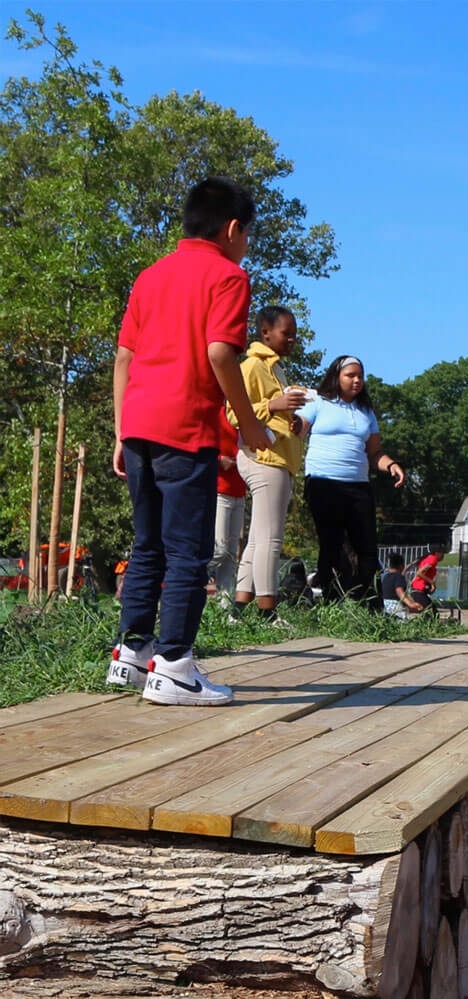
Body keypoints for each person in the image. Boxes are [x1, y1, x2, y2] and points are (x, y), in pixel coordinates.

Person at [106, 177, 272, 706]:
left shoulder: (150, 276)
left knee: (147, 544)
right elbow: (223, 352)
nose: (246, 243)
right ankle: (175, 666)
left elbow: (125, 358)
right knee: (188, 551)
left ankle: (132, 654)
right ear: (231, 229)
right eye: (247, 233)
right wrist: (249, 425)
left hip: (138, 425)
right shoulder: (228, 275)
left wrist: (120, 431)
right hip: (185, 428)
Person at [295, 355, 405, 604]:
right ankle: (331, 602)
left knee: (366, 546)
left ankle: (369, 603)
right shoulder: (318, 402)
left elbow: (375, 452)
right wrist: (292, 421)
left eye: (360, 376)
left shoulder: (366, 412)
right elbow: (298, 428)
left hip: (358, 485)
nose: (356, 381)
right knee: (331, 543)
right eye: (350, 375)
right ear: (337, 377)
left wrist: (391, 465)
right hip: (323, 482)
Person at [228, 305, 306, 624]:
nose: (291, 341)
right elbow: (234, 414)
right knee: (271, 539)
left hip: (279, 459)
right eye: (285, 334)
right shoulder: (252, 367)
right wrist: (275, 404)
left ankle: (241, 608)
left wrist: (294, 420)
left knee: (259, 539)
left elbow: (271, 414)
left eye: (294, 336)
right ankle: (267, 612)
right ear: (265, 333)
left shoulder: (276, 369)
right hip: (264, 460)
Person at [209, 406, 248, 601]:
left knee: (231, 555)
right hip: (218, 490)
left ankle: (224, 608)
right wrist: (218, 461)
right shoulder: (216, 411)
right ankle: (179, 585)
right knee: (219, 550)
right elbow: (200, 446)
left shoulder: (247, 414)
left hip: (240, 491)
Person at [379, 553, 423, 619]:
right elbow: (399, 591)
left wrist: (412, 564)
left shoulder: (386, 577)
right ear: (401, 566)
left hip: (386, 607)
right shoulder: (399, 577)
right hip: (396, 608)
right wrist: (410, 604)